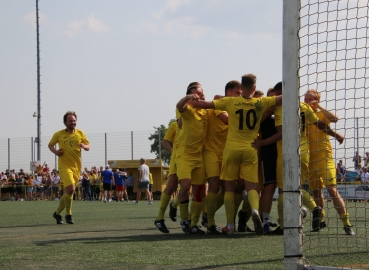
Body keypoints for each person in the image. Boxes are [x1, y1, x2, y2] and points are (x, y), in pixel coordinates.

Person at [191, 75, 280, 235]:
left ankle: (230, 225)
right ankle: (254, 209)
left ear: (242, 88)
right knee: (252, 186)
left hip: (231, 150)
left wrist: (190, 99)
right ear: (254, 88)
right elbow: (281, 99)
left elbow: (205, 104)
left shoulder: (230, 102)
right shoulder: (260, 102)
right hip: (251, 149)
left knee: (229, 188)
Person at [252, 82, 344, 234]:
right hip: (304, 151)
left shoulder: (281, 108)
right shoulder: (304, 106)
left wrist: (262, 142)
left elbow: (282, 133)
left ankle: (283, 226)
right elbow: (320, 124)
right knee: (296, 187)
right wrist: (336, 135)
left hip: (286, 151)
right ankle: (315, 208)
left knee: (283, 189)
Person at [304, 89, 354, 235]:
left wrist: (318, 107)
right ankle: (321, 220)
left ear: (316, 100)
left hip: (324, 157)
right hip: (309, 159)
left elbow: (334, 119)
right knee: (316, 192)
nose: (307, 101)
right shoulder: (303, 115)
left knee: (332, 189)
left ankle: (347, 223)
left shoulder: (321, 114)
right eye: (305, 99)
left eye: (310, 99)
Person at [203, 80, 242, 235]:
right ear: (229, 93)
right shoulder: (220, 104)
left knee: (229, 188)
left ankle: (229, 223)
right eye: (237, 92)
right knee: (213, 184)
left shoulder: (234, 106)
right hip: (211, 151)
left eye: (241, 92)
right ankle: (210, 223)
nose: (240, 95)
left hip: (226, 152)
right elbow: (228, 120)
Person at [175, 82, 208, 234]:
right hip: (185, 155)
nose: (201, 95)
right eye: (198, 94)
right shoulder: (188, 110)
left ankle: (194, 224)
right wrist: (188, 97)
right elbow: (179, 105)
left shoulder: (206, 112)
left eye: (202, 93)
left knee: (200, 191)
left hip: (199, 156)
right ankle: (183, 220)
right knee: (186, 185)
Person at [49, 111, 90, 225]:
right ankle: (68, 215)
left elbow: (88, 146)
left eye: (74, 120)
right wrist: (56, 152)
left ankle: (57, 214)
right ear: (65, 122)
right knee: (71, 189)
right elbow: (50, 145)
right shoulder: (59, 134)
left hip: (76, 167)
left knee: (69, 191)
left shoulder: (80, 133)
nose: (73, 122)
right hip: (64, 166)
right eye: (70, 121)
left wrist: (84, 146)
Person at [154, 117, 181, 233]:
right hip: (177, 159)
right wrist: (173, 152)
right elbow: (165, 142)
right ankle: (159, 218)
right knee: (171, 185)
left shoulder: (199, 121)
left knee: (188, 188)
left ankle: (177, 207)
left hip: (194, 158)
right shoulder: (174, 125)